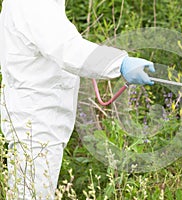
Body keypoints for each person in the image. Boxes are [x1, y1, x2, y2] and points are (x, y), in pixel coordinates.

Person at [0, 0, 155, 199]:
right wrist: (120, 63)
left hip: (39, 122)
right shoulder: (33, 4)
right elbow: (69, 49)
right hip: (35, 125)